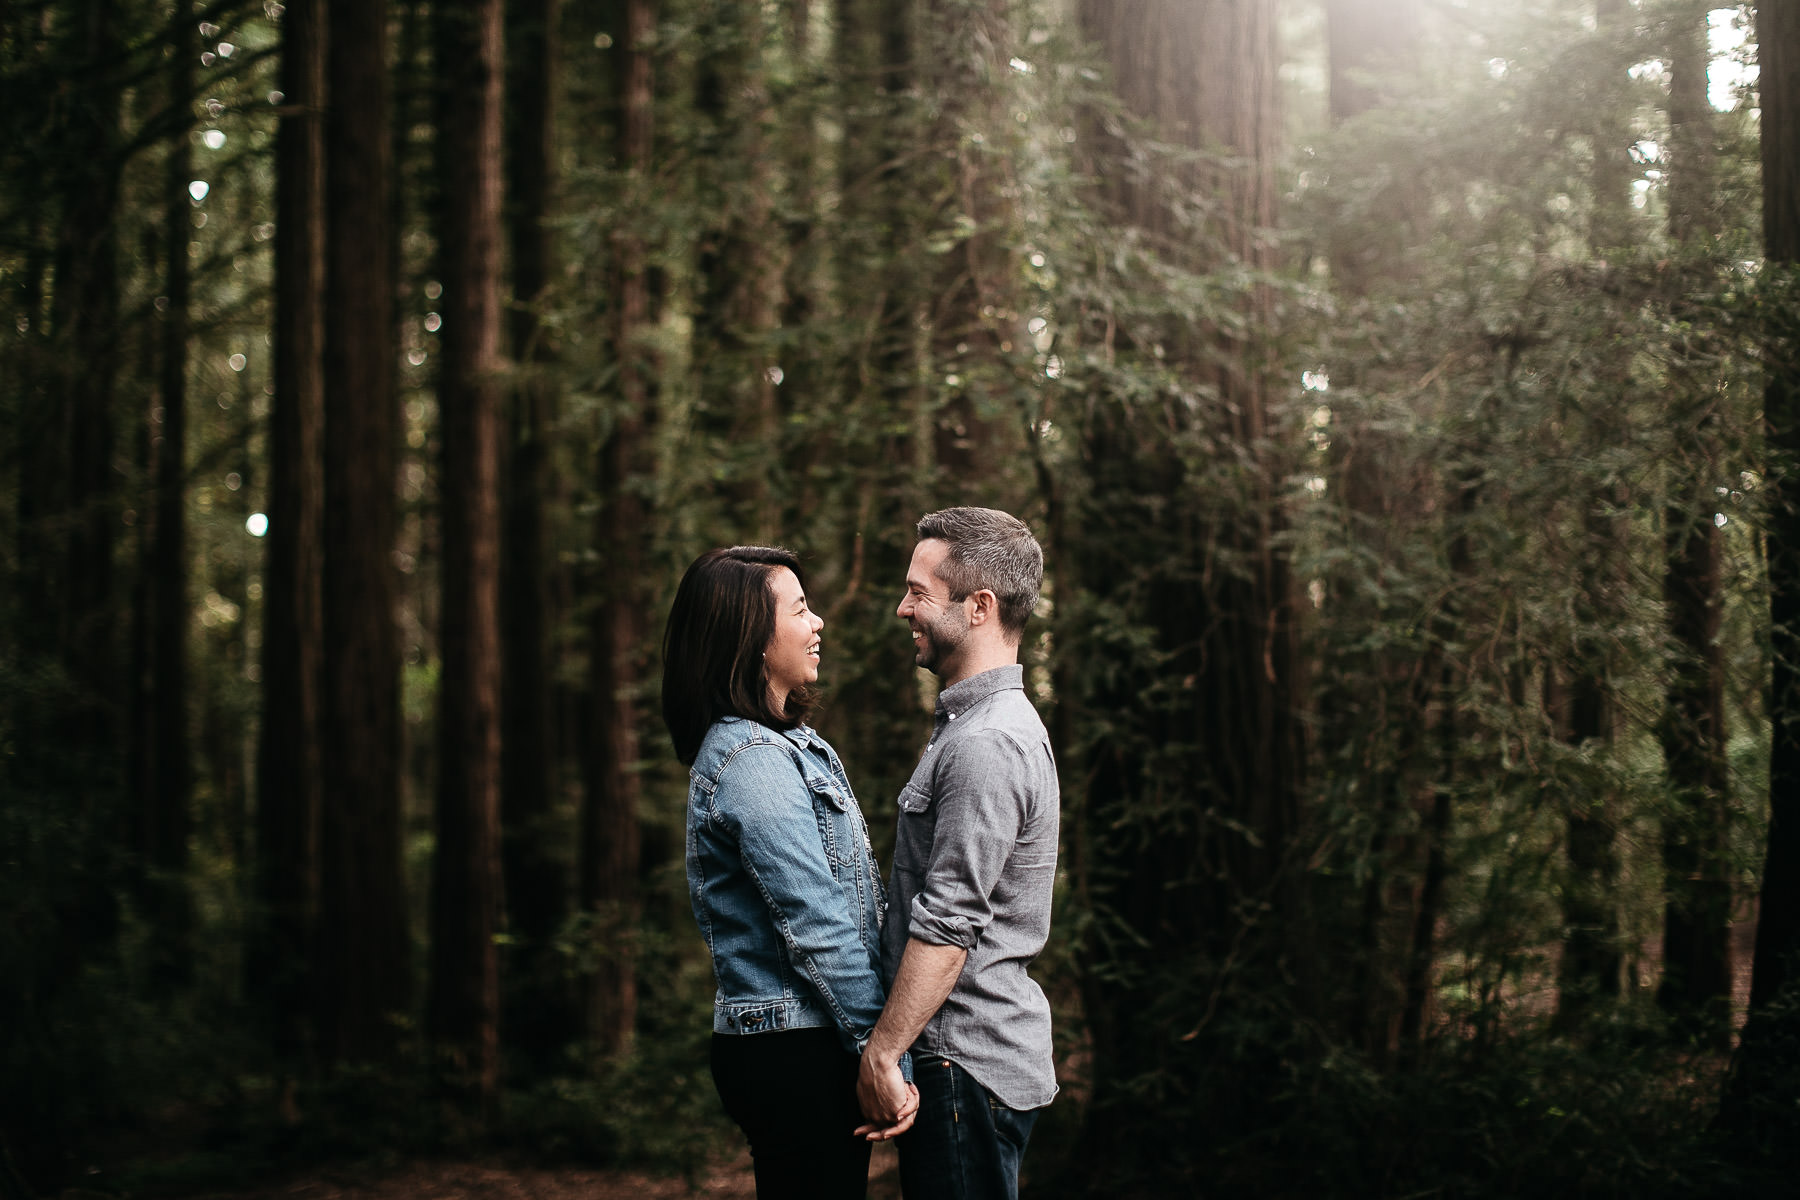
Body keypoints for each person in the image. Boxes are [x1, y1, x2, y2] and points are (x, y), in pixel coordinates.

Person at [662, 546, 916, 1200]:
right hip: (794, 1046)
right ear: (750, 637)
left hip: (805, 1038)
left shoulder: (789, 746)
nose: (818, 623)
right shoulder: (750, 760)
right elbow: (817, 922)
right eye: (800, 609)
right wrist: (881, 1051)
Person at [854, 508, 1060, 1200]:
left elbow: (948, 924)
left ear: (978, 607)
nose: (901, 606)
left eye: (918, 591)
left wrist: (883, 1053)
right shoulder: (976, 727)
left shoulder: (984, 743)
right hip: (962, 1065)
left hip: (962, 1063)